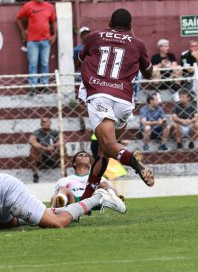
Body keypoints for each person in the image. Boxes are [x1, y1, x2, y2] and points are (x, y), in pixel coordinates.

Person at [77, 8, 155, 200]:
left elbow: (81, 58)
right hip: (124, 101)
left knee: (110, 146)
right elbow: (149, 73)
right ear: (130, 26)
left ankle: (135, 163)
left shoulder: (94, 37)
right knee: (104, 152)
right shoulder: (138, 44)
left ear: (110, 23)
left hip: (100, 94)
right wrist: (131, 37)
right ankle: (87, 197)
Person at [50, 151, 123, 208]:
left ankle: (116, 199)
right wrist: (52, 206)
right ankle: (58, 207)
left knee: (103, 184)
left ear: (89, 164)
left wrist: (117, 193)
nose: (83, 156)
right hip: (73, 201)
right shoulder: (64, 180)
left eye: (86, 156)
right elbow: (55, 195)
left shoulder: (97, 178)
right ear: (74, 163)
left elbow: (107, 187)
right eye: (80, 155)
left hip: (92, 200)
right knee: (62, 189)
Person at [16, 0, 57, 96]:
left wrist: (54, 35)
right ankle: (32, 87)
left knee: (44, 63)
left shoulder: (49, 6)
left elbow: (53, 21)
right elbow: (18, 18)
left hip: (46, 40)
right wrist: (22, 31)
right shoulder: (28, 5)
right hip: (32, 41)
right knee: (33, 64)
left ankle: (44, 85)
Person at [29, 117, 59, 183]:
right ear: (41, 124)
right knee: (33, 149)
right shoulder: (37, 132)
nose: (46, 123)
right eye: (44, 122)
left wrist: (54, 145)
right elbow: (31, 141)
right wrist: (44, 148)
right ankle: (35, 174)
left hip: (53, 154)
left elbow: (63, 140)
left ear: (50, 123)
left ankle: (64, 173)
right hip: (41, 156)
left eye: (48, 122)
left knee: (63, 148)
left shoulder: (54, 132)